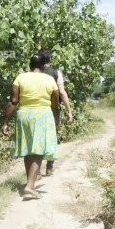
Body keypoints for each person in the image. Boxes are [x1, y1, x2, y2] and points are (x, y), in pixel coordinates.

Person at [2, 53, 59, 200]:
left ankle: (30, 183)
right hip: (42, 116)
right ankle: (30, 187)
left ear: (30, 65)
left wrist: (5, 122)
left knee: (28, 148)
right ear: (43, 66)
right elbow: (55, 105)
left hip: (24, 115)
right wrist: (57, 121)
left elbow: (13, 101)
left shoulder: (20, 78)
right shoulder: (49, 79)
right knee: (38, 150)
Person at [37, 47, 73, 176]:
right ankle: (50, 167)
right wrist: (69, 111)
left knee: (38, 138)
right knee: (52, 137)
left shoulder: (32, 73)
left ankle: (37, 170)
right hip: (52, 110)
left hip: (36, 109)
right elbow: (62, 93)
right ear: (50, 59)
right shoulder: (56, 73)